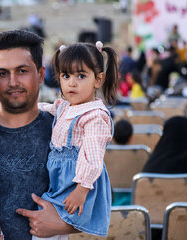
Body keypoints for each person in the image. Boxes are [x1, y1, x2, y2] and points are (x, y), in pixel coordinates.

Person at [0, 30, 79, 240]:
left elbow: (99, 204)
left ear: (41, 74)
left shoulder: (68, 132)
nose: (13, 82)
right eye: (3, 73)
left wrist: (63, 225)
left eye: (22, 71)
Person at [35, 41, 117, 239]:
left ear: (98, 80)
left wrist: (82, 188)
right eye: (66, 76)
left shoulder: (95, 115)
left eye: (81, 76)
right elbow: (45, 109)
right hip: (60, 180)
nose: (72, 82)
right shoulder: (65, 106)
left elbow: (92, 154)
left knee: (54, 225)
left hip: (77, 182)